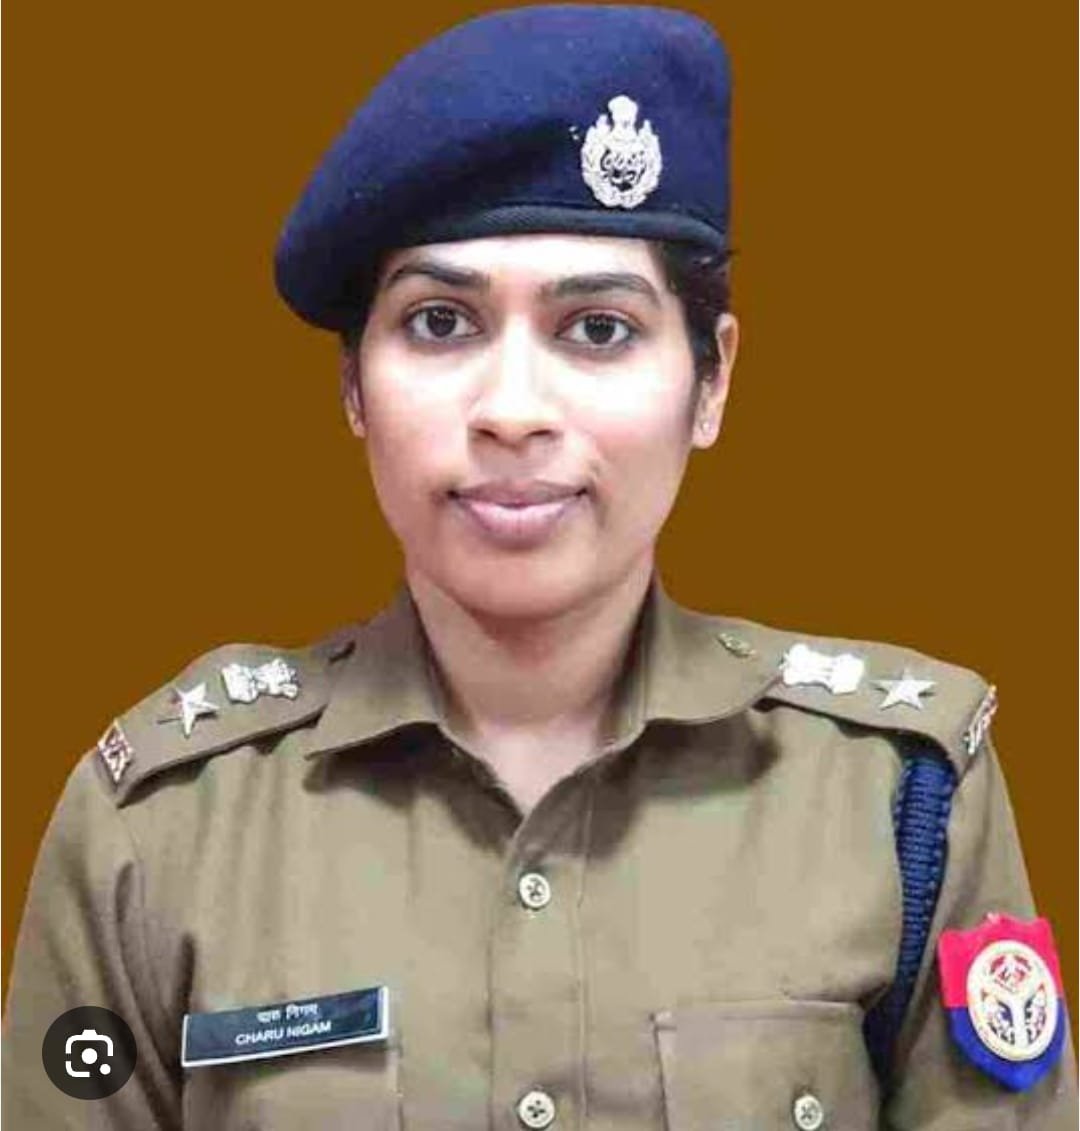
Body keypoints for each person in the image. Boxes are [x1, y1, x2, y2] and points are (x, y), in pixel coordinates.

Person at [3, 5, 1075, 1128]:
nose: (512, 410)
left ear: (710, 382)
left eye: (598, 329)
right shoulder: (164, 825)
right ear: (354, 387)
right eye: (439, 323)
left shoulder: (898, 796)